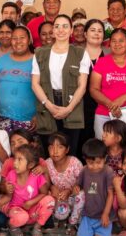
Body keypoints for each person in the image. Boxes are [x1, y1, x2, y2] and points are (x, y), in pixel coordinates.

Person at [32, 14, 89, 155]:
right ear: (53, 30)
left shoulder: (80, 53)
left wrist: (68, 109)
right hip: (47, 104)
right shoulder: (40, 53)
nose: (61, 30)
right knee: (49, 151)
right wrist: (48, 105)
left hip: (72, 104)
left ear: (71, 31)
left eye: (65, 26)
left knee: (69, 151)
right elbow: (35, 84)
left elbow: (82, 86)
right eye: (57, 26)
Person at [90, 28, 126, 145]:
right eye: (114, 41)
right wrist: (111, 105)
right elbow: (93, 89)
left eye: (121, 40)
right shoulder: (101, 62)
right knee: (103, 151)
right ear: (109, 43)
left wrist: (123, 98)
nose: (117, 44)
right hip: (105, 114)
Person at [0, 144, 54, 236]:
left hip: (33, 213)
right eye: (15, 159)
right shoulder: (11, 175)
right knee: (22, 217)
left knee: (50, 200)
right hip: (17, 212)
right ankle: (12, 225)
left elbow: (44, 193)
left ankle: (37, 227)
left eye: (19, 160)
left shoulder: (37, 176)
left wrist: (31, 202)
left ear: (30, 165)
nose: (15, 163)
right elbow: (5, 194)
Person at [0, 26, 37, 133]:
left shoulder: (37, 61)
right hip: (1, 118)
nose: (18, 41)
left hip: (28, 120)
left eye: (22, 38)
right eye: (14, 38)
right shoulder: (2, 60)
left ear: (29, 40)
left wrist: (39, 115)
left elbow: (45, 90)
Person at [76, 138, 115, 236]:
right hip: (88, 215)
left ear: (105, 158)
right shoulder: (84, 170)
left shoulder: (108, 172)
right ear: (85, 160)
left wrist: (106, 214)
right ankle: (92, 231)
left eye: (98, 162)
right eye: (90, 163)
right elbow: (78, 185)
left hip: (103, 216)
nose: (94, 166)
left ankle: (100, 232)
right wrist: (76, 188)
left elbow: (111, 194)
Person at [46, 132, 84, 236]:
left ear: (67, 149)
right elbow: (45, 183)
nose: (55, 151)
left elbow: (83, 182)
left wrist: (70, 190)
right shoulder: (47, 163)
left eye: (60, 147)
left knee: (81, 195)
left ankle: (73, 223)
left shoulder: (75, 163)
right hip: (59, 198)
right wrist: (52, 187)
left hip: (73, 199)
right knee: (47, 196)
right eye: (51, 147)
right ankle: (60, 219)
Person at [80, 19, 107, 143]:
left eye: (100, 31)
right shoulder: (76, 53)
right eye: (93, 30)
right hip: (81, 106)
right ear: (85, 34)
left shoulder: (110, 54)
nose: (96, 33)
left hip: (104, 106)